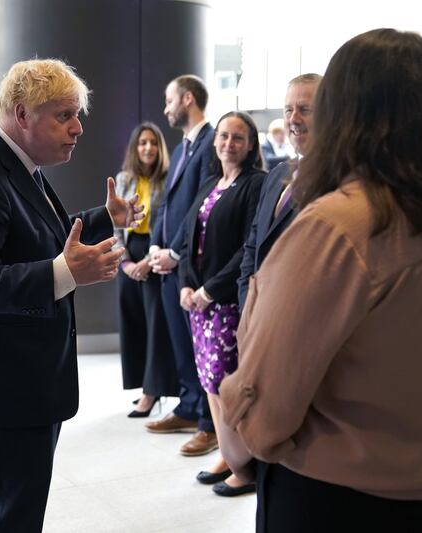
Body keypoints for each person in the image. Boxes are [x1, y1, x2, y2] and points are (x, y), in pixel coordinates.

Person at [219, 29, 422, 532]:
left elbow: (265, 405)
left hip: (342, 498)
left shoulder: (335, 227)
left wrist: (238, 442)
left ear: (344, 112)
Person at [0, 58, 143, 533]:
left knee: (0, 508)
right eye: (64, 115)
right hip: (5, 387)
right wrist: (66, 272)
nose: (78, 127)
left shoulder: (17, 167)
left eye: (76, 114)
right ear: (22, 115)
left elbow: (39, 237)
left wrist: (105, 218)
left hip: (19, 382)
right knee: (11, 514)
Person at [178, 111, 265, 496]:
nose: (229, 143)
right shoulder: (212, 182)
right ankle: (229, 454)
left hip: (225, 302)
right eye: (224, 136)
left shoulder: (256, 184)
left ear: (250, 145)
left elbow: (249, 246)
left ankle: (245, 466)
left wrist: (209, 290)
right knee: (210, 384)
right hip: (198, 304)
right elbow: (187, 239)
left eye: (238, 138)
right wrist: (185, 285)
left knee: (228, 385)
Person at [146, 74, 218, 457]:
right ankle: (189, 408)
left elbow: (201, 205)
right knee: (180, 344)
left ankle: (209, 423)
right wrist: (157, 244)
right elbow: (169, 203)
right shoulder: (183, 147)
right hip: (169, 263)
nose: (166, 108)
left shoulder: (211, 143)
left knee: (200, 347)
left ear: (188, 98)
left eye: (170, 100)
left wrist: (174, 252)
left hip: (191, 264)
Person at [237, 73, 322, 308]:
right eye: (288, 110)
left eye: (304, 109)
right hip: (257, 312)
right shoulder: (277, 174)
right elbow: (253, 245)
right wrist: (247, 307)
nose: (293, 118)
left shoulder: (335, 180)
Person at [115, 122, 180, 417]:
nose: (148, 148)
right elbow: (115, 226)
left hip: (155, 254)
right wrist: (126, 263)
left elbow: (169, 225)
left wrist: (146, 262)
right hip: (128, 253)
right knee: (134, 323)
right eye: (142, 143)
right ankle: (143, 384)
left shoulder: (168, 180)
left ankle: (153, 393)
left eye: (153, 143)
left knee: (156, 325)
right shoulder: (123, 179)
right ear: (135, 148)